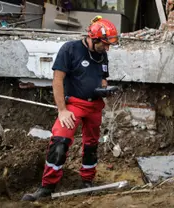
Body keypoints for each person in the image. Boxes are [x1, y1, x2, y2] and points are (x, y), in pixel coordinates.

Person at [22, 16, 119, 201]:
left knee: (91, 145)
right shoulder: (70, 49)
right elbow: (57, 80)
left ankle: (87, 181)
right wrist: (62, 110)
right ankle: (47, 187)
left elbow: (103, 77)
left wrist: (105, 89)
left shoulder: (103, 55)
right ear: (94, 38)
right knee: (60, 141)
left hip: (95, 105)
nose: (107, 48)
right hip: (73, 104)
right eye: (105, 44)